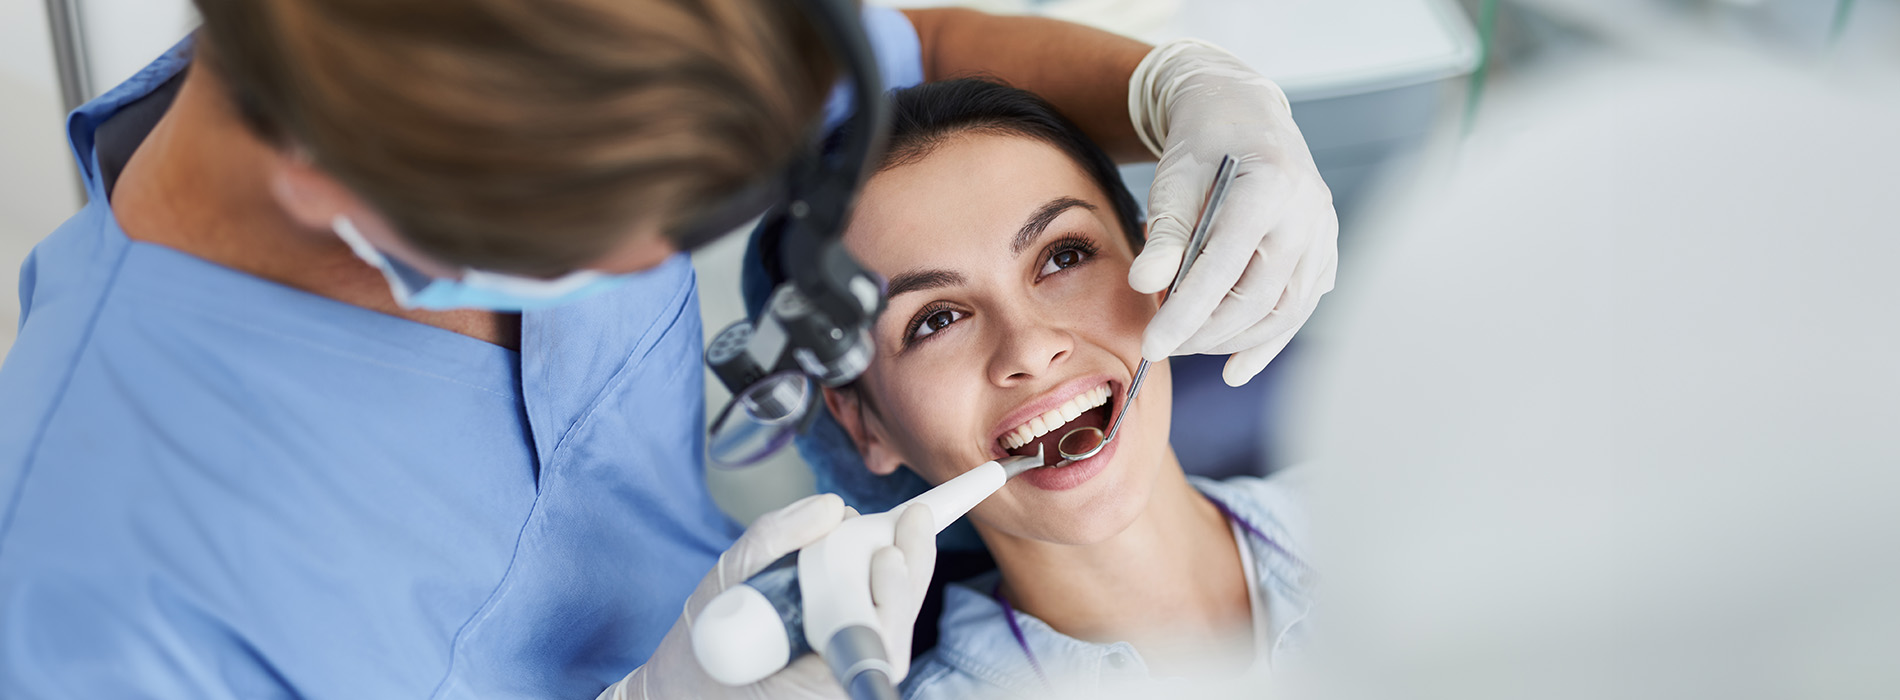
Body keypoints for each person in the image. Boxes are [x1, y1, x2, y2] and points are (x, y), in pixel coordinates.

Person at [0, 1, 1336, 698]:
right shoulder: (105, 608)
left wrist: (1188, 88)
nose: (670, 288)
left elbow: (900, 62)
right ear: (329, 187)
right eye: (618, 243)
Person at [743, 79, 1313, 699]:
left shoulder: (1404, 509)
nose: (1030, 349)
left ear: (1164, 275)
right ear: (864, 425)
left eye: (1063, 257)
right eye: (936, 320)